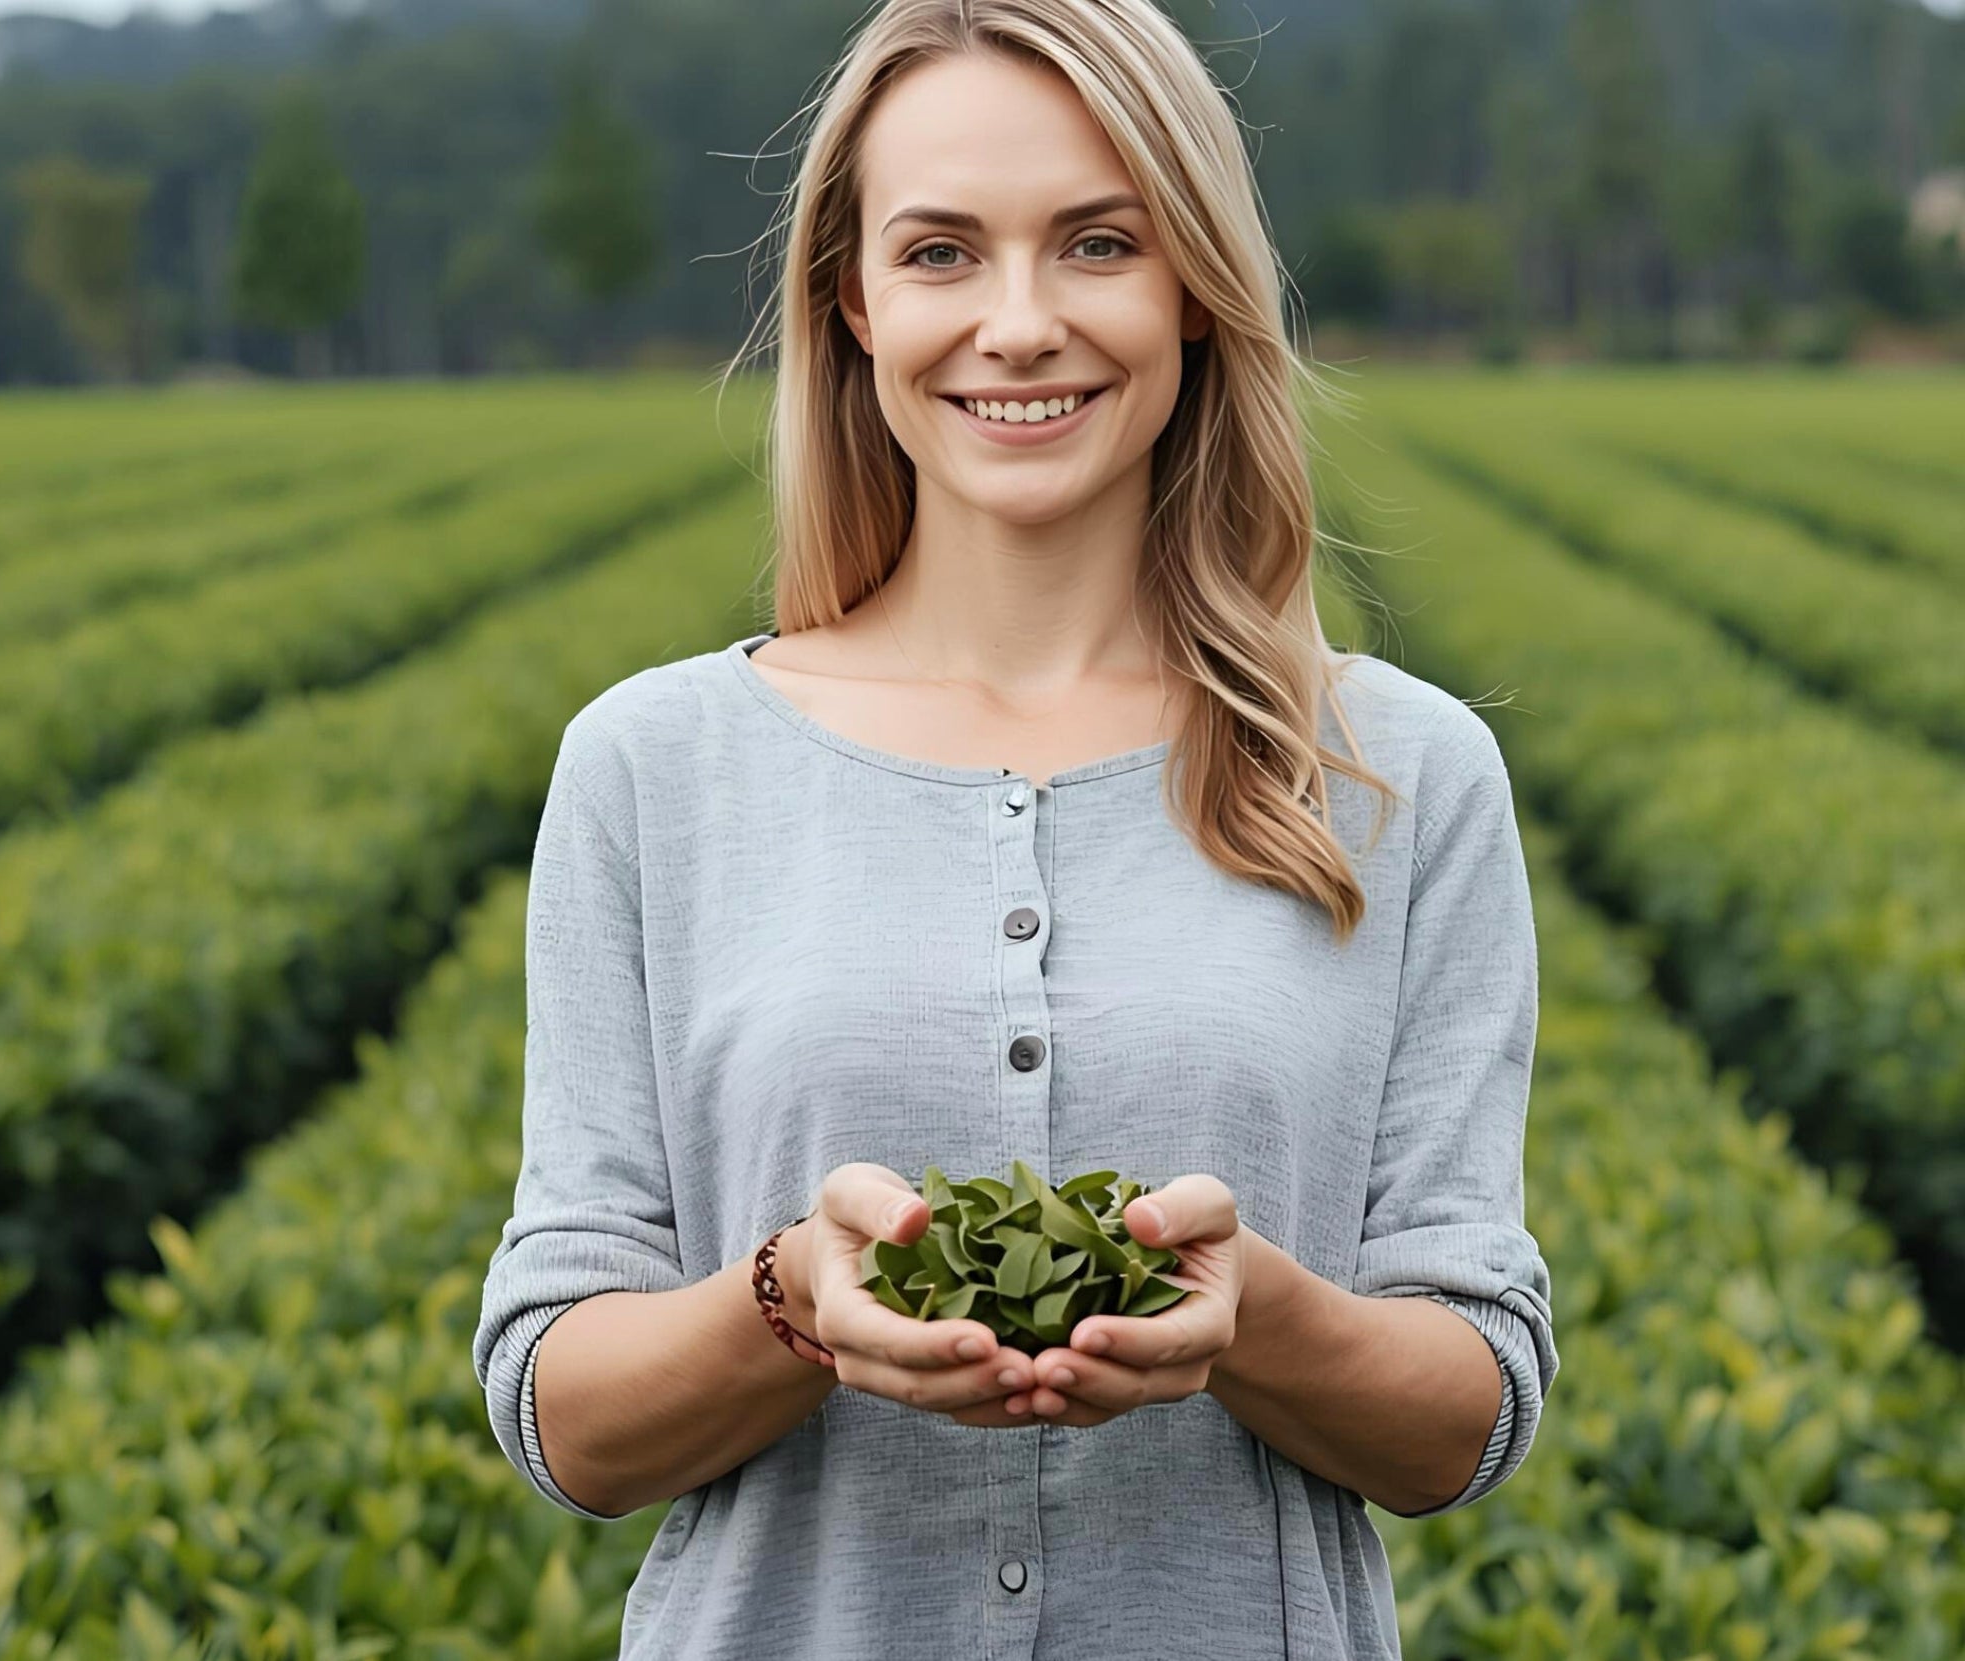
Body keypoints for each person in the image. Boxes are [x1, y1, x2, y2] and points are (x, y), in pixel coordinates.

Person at [470, 1, 1557, 1655]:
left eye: (1098, 242)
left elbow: (1466, 1406)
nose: (1022, 322)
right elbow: (564, 1411)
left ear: (1193, 285)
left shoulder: (1399, 774)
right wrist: (792, 1303)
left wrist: (1251, 1318)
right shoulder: (655, 767)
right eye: (943, 253)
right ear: (853, 299)